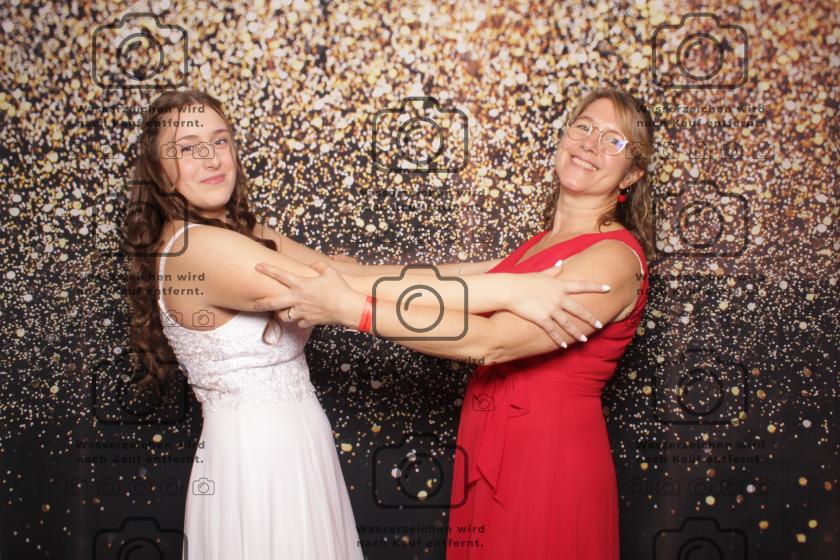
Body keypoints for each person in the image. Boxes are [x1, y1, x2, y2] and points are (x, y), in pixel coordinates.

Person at [123, 89, 610, 559]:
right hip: (256, 458)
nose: (211, 158)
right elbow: (339, 291)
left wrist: (510, 270)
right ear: (159, 172)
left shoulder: (243, 232)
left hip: (295, 442)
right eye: (187, 148)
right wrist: (509, 289)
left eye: (220, 141)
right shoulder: (198, 249)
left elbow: (361, 277)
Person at [252, 87, 653, 560]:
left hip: (547, 458)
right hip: (490, 442)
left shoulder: (613, 258)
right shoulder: (539, 246)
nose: (590, 143)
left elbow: (492, 342)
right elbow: (427, 283)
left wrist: (348, 308)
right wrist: (268, 242)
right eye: (583, 127)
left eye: (613, 140)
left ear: (632, 173)